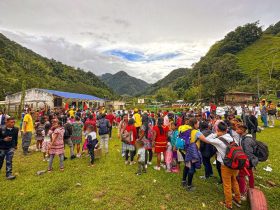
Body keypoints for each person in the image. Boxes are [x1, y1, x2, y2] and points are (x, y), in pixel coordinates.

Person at [204, 121, 241, 209]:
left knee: (227, 185)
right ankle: (237, 199)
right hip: (235, 163)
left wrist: (216, 134)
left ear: (218, 129)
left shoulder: (219, 140)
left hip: (226, 165)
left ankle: (228, 204)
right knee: (234, 181)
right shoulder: (232, 138)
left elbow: (207, 139)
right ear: (226, 129)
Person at [236, 124, 258, 201]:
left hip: (247, 161)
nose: (236, 130)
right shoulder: (245, 137)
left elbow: (248, 153)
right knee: (250, 174)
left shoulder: (246, 140)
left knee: (241, 176)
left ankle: (243, 193)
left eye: (237, 129)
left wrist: (245, 162)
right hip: (250, 160)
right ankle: (252, 188)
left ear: (242, 130)